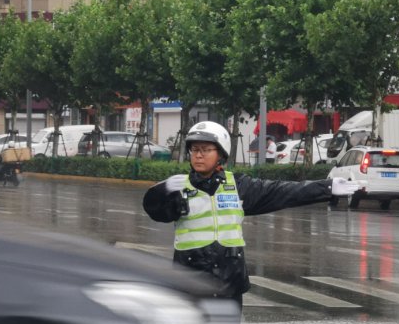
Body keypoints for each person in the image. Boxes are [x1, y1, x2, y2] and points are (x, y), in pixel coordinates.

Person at [143, 121, 361, 308]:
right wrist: (161, 191)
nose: (198, 155)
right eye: (194, 150)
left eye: (205, 149)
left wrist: (327, 187)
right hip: (188, 284)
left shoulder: (238, 186)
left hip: (228, 284)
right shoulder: (179, 187)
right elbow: (155, 211)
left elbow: (282, 191)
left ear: (220, 153)